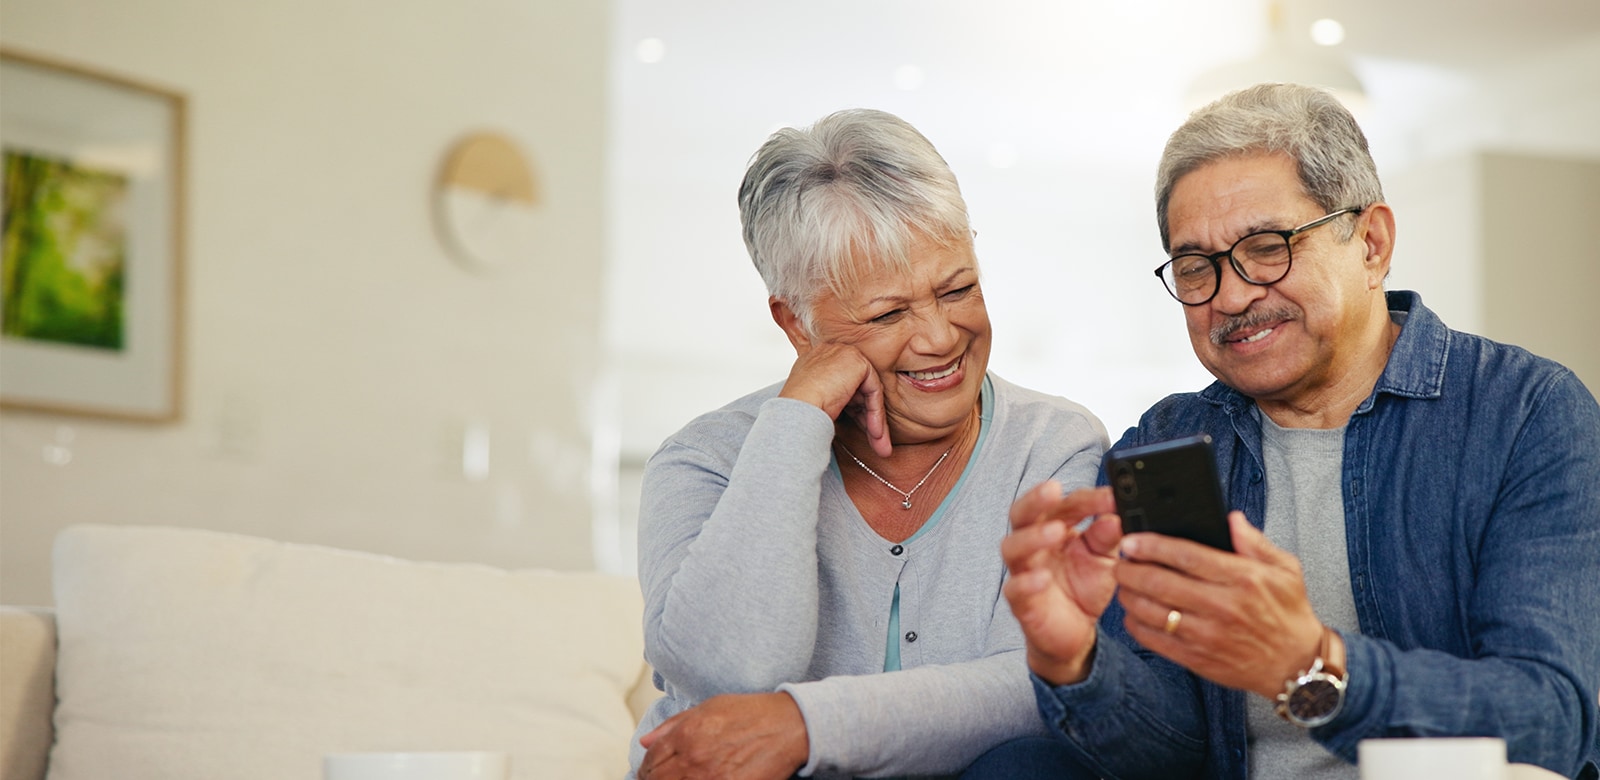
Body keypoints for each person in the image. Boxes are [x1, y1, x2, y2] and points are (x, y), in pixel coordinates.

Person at [1002, 82, 1600, 779]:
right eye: (1196, 267)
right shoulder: (1164, 442)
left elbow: (1551, 722)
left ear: (1371, 244)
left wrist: (1310, 664)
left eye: (1267, 246)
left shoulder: (1526, 414)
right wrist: (1072, 661)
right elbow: (1166, 758)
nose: (1230, 295)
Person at [630, 108, 1108, 780]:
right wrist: (797, 419)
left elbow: (1039, 687)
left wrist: (806, 725)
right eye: (887, 314)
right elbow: (730, 676)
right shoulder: (702, 459)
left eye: (958, 289)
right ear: (796, 323)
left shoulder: (1053, 443)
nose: (941, 337)